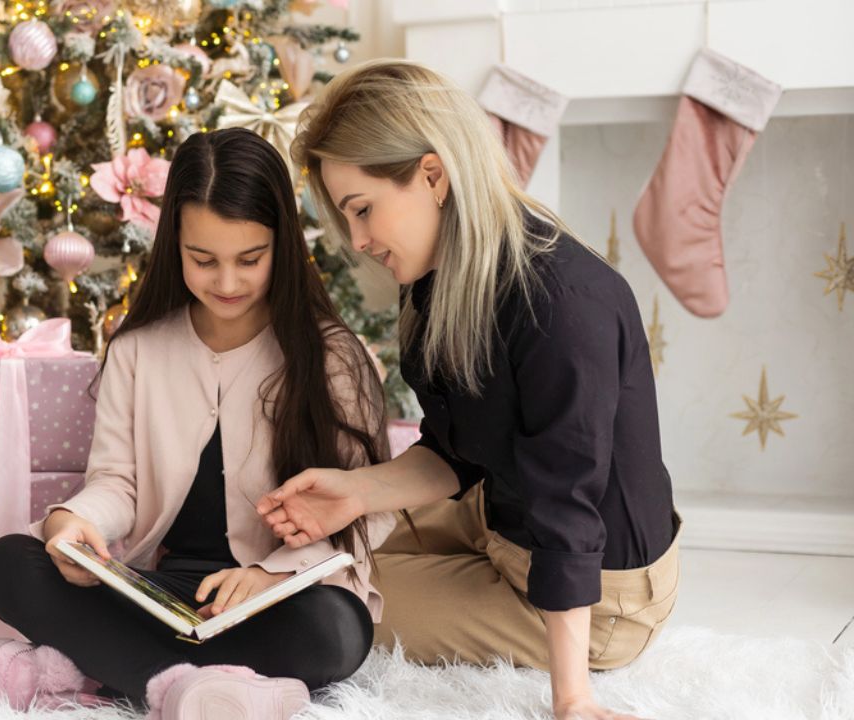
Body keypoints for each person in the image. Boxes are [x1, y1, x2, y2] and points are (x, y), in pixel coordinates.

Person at [257, 60, 679, 720]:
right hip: (499, 518)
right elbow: (457, 450)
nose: (360, 241)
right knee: (321, 549)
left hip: (603, 595)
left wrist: (571, 699)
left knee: (320, 598)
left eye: (363, 211)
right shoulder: (440, 278)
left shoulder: (561, 308)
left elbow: (567, 506)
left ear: (433, 175)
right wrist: (358, 492)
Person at [0, 127, 394, 719]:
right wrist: (74, 521)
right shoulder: (139, 350)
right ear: (175, 244)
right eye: (204, 260)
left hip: (285, 596)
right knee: (9, 563)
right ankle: (177, 687)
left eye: (250, 259)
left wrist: (269, 575)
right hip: (162, 593)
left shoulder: (334, 358)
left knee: (335, 630)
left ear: (284, 244)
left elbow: (371, 506)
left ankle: (89, 669)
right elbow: (117, 483)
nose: (227, 283)